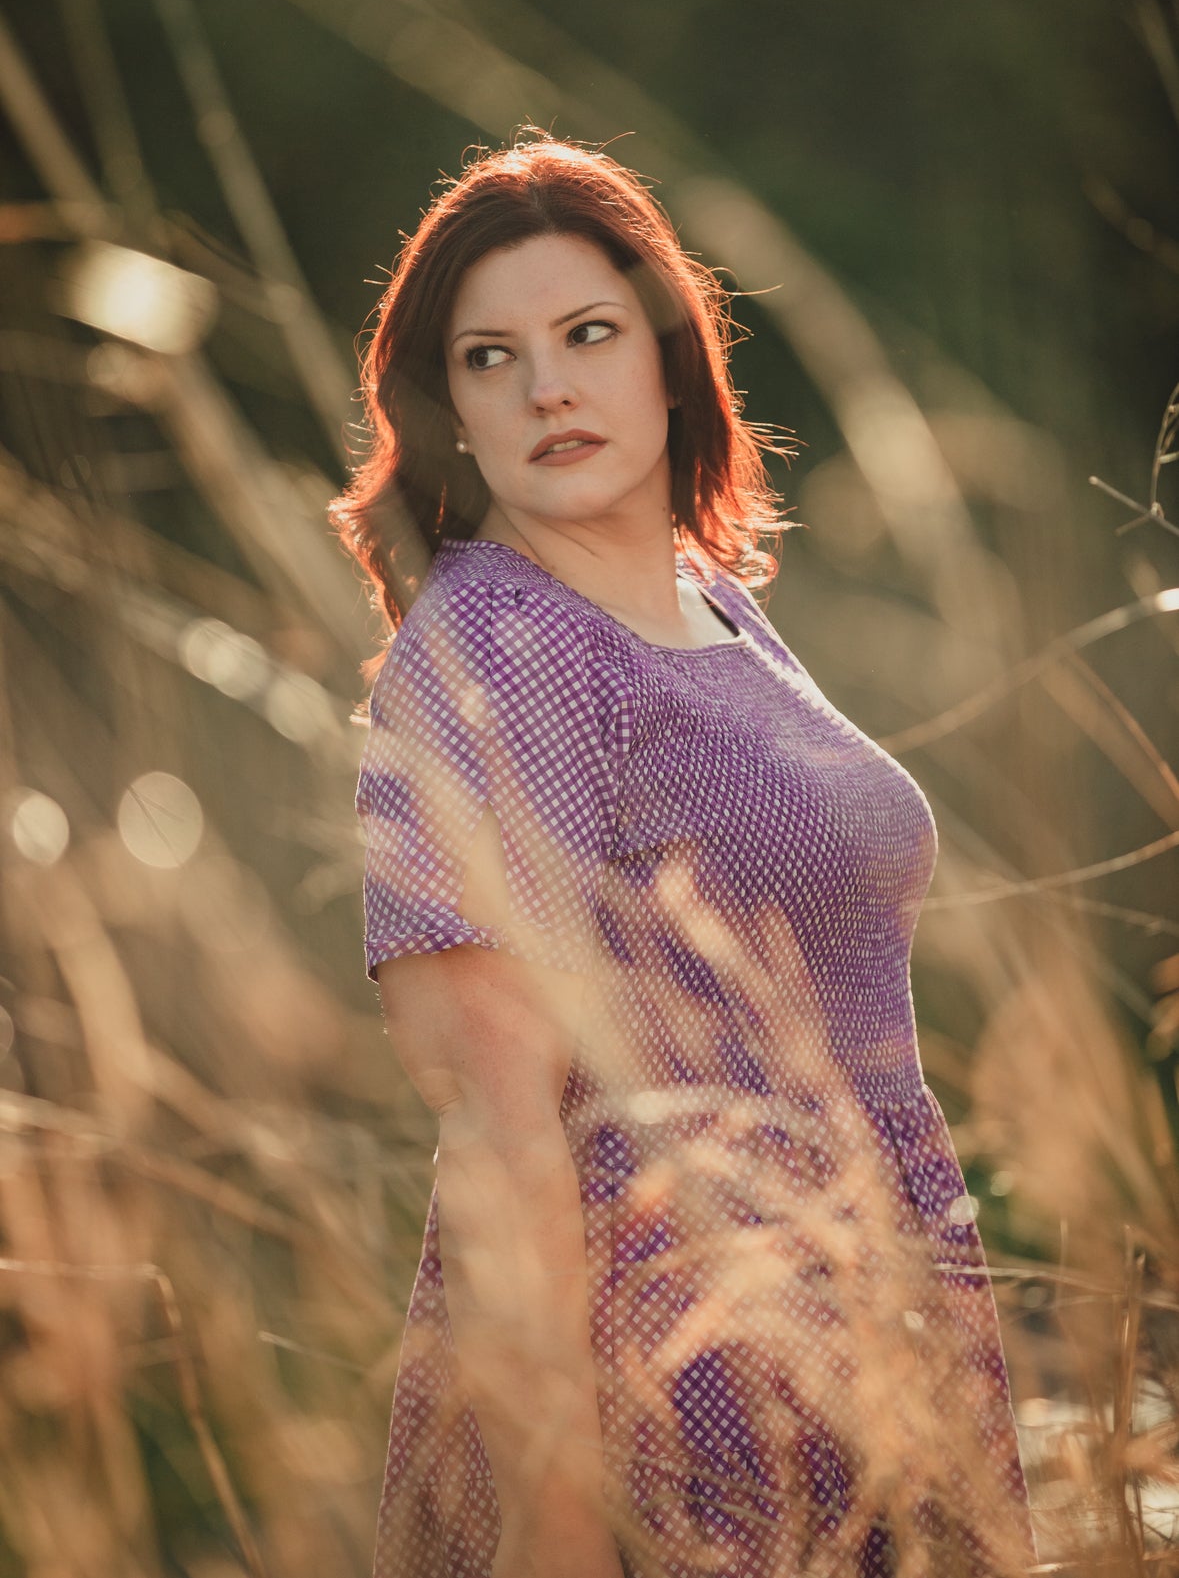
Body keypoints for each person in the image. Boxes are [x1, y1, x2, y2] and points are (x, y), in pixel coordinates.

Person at [328, 130, 1038, 1578]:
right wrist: (561, 1520)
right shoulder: (499, 644)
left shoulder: (710, 603)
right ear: (446, 406)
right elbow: (496, 1120)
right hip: (671, 1366)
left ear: (670, 358)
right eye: (489, 357)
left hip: (868, 1316)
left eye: (588, 334)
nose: (547, 387)